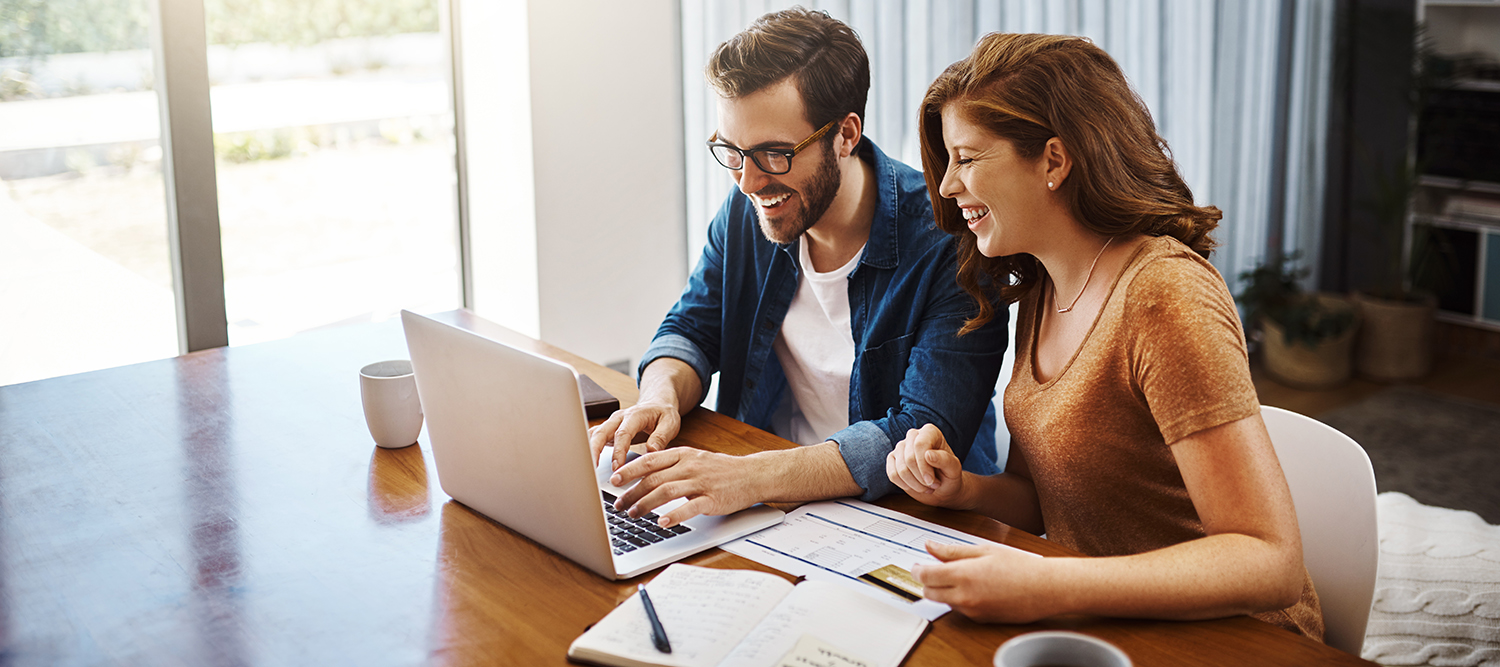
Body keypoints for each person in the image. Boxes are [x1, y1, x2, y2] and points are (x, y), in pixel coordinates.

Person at [885, 33, 1324, 639]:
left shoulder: (1164, 295)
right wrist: (963, 489)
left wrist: (1044, 586)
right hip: (1112, 624)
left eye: (966, 158)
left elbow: (1268, 562)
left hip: (1238, 639)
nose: (946, 187)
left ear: (1054, 162)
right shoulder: (1043, 288)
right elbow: (1047, 500)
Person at [588, 7, 1009, 529]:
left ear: (846, 135)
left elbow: (919, 430)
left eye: (773, 154)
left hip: (908, 521)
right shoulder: (753, 211)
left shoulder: (949, 240)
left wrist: (748, 477)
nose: (748, 183)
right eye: (733, 152)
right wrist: (661, 396)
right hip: (770, 506)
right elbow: (691, 328)